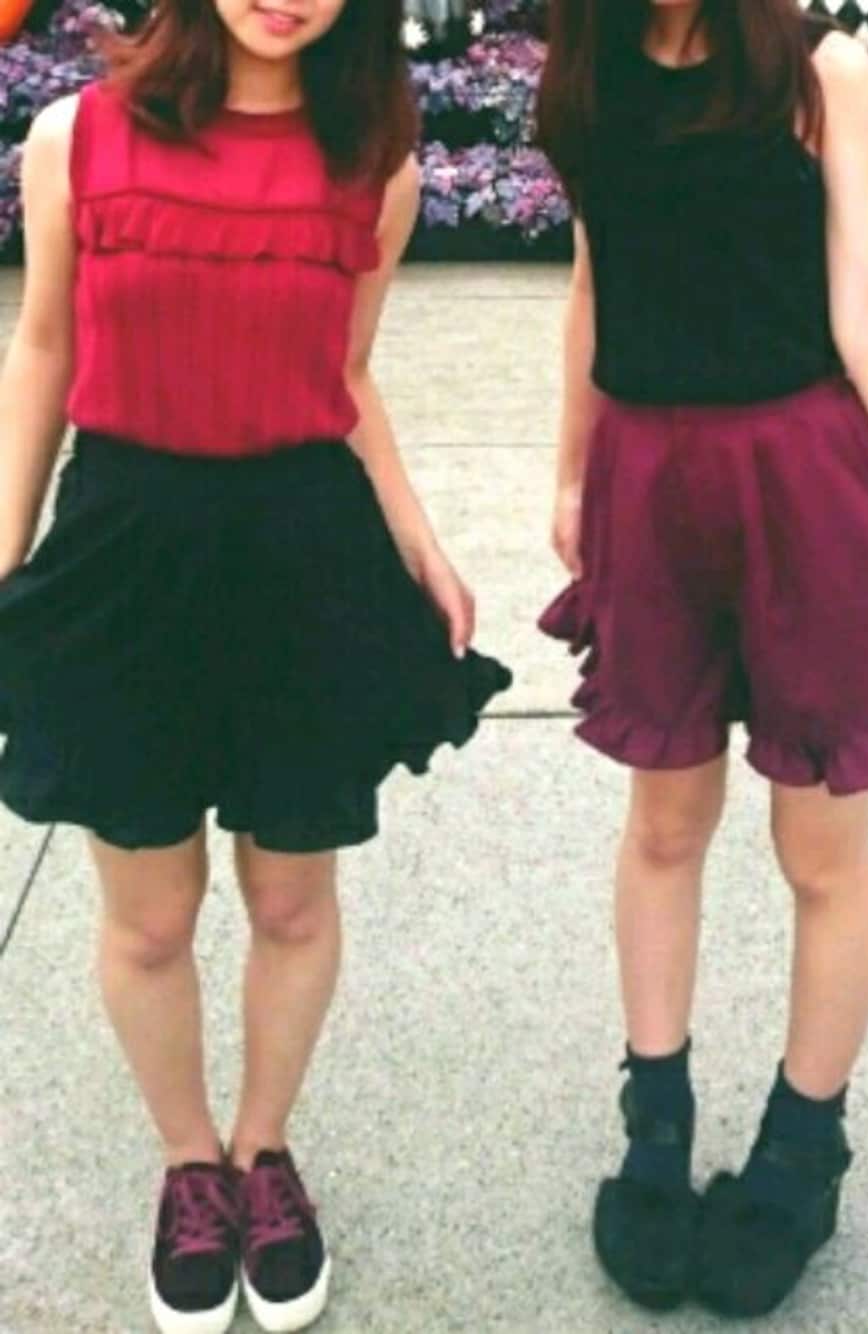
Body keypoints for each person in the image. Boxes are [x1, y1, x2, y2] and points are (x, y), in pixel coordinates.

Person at [0, 0, 511, 1329]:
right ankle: (189, 1164)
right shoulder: (76, 138)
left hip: (303, 558)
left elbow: (349, 376)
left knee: (290, 899)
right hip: (124, 554)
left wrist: (420, 539)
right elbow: (43, 349)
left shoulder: (375, 163)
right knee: (149, 916)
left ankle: (262, 1148)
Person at [536, 0, 868, 1318]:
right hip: (649, 477)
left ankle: (804, 1143)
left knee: (821, 844)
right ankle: (657, 1121)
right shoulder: (590, 72)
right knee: (664, 820)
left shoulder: (819, 71)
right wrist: (569, 468)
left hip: (804, 479)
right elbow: (593, 285)